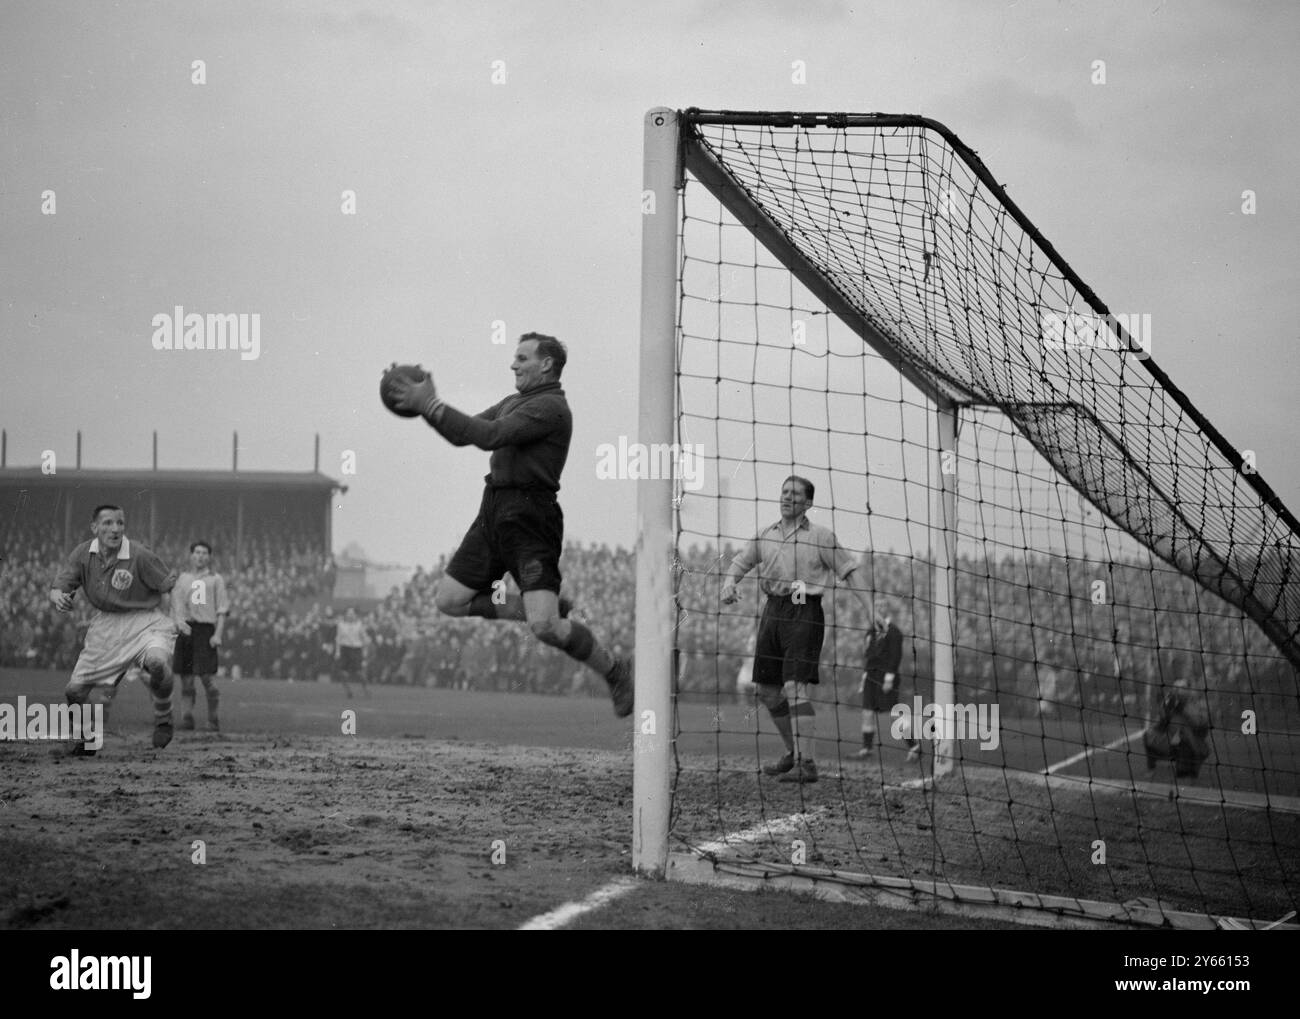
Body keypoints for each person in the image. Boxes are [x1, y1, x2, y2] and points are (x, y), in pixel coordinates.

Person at [385, 332, 634, 716]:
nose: (513, 364)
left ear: (546, 364)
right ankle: (537, 606)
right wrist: (423, 405)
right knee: (449, 600)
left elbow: (488, 436)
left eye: (522, 358)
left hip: (531, 519)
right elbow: (464, 432)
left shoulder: (550, 408)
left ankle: (615, 671)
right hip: (494, 509)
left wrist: (430, 404)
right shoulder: (514, 402)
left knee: (546, 628)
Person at [720, 476, 874, 783]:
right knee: (766, 691)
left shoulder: (821, 537)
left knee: (794, 686)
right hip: (773, 611)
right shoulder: (765, 535)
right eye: (784, 491)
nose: (787, 497)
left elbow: (850, 573)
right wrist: (729, 582)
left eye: (795, 493)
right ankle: (794, 754)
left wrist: (872, 611)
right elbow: (741, 562)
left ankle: (808, 764)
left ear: (808, 503)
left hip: (805, 611)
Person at [48, 504, 183, 754]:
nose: (116, 529)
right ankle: (87, 738)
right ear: (95, 527)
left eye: (120, 523)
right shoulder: (82, 554)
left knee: (156, 662)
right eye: (108, 523)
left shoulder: (139, 554)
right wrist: (58, 598)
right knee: (74, 692)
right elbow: (59, 587)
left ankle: (164, 715)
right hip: (106, 625)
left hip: (146, 621)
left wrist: (177, 616)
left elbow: (169, 586)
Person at [172, 540, 229, 731]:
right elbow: (177, 606)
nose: (200, 556)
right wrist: (176, 625)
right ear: (191, 555)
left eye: (204, 553)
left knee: (208, 679)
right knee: (186, 679)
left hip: (205, 631)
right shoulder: (183, 578)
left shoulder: (215, 579)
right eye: (197, 552)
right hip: (186, 630)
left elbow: (222, 609)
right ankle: (187, 718)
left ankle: (213, 719)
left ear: (209, 557)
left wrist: (217, 634)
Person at [856, 598, 919, 760]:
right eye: (876, 605)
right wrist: (864, 677)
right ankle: (867, 748)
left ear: (887, 609)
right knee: (867, 712)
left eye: (881, 605)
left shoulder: (894, 632)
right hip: (871, 676)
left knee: (894, 714)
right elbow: (868, 656)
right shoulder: (871, 631)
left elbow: (895, 656)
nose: (878, 608)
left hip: (885, 677)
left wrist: (889, 678)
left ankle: (914, 746)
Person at [1143, 679, 1211, 779]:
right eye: (1176, 688)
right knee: (1148, 736)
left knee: (1182, 739)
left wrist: (1183, 710)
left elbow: (1201, 724)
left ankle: (1187, 771)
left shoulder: (1196, 703)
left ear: (1188, 690)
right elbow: (1161, 720)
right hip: (1170, 739)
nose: (1179, 690)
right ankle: (1152, 768)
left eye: (1182, 688)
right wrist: (1167, 708)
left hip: (1192, 741)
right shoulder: (1170, 700)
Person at [335, 606, 369, 698]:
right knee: (343, 673)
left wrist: (365, 650)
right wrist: (337, 651)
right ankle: (348, 691)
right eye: (348, 613)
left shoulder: (359, 625)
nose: (350, 615)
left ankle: (365, 689)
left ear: (355, 615)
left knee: (359, 673)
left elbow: (364, 638)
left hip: (356, 649)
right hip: (345, 649)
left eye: (352, 613)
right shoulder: (341, 625)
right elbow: (338, 638)